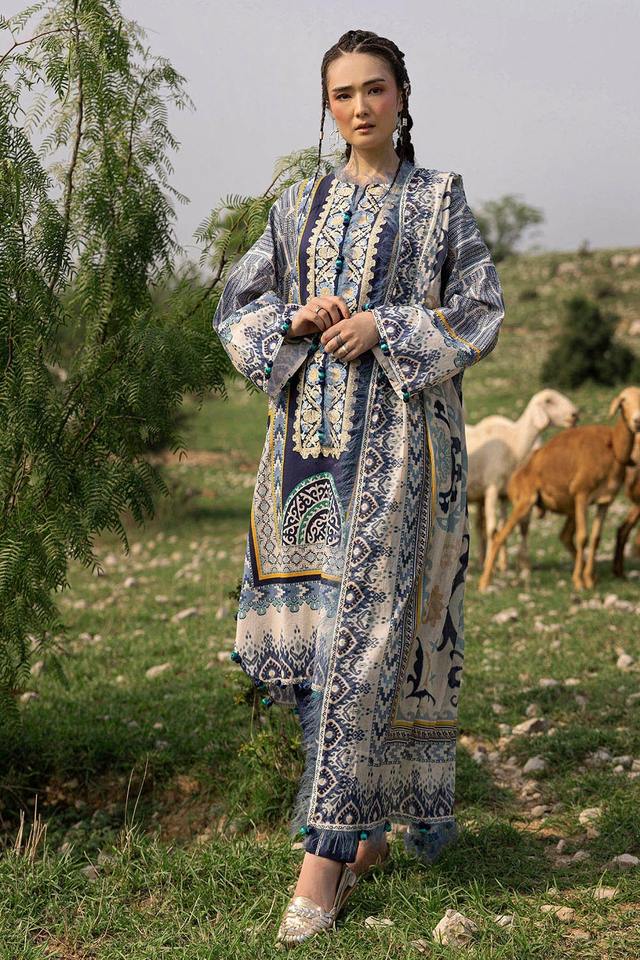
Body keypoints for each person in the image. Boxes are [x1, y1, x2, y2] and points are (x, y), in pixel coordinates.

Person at [212, 28, 505, 947]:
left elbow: (481, 311)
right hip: (302, 457)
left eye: (374, 89)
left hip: (404, 456)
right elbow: (236, 308)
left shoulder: (440, 200)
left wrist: (387, 325)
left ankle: (323, 861)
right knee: (314, 646)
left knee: (365, 643)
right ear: (327, 106)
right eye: (342, 94)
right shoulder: (295, 208)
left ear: (402, 96)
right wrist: (295, 319)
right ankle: (365, 830)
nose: (360, 107)